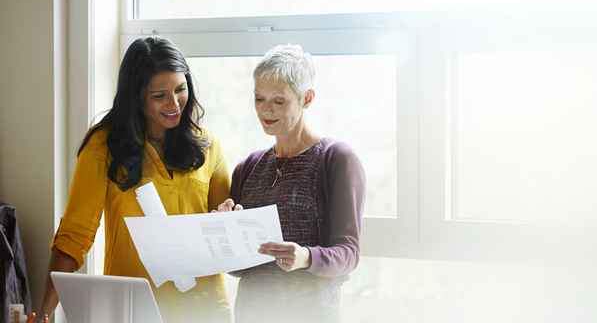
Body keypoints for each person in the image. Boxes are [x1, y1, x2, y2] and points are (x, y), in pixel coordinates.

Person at [37, 37, 232, 322]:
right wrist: (43, 312)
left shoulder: (207, 144)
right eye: (159, 95)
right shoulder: (103, 146)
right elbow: (74, 236)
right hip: (134, 309)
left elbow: (224, 223)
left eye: (180, 89)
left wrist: (227, 217)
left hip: (205, 308)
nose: (174, 104)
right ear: (136, 96)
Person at [216, 44, 366, 323]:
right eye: (259, 99)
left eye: (279, 101)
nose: (266, 110)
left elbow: (349, 253)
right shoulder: (248, 168)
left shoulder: (336, 160)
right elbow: (238, 269)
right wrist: (225, 233)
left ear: (307, 98)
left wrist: (306, 257)